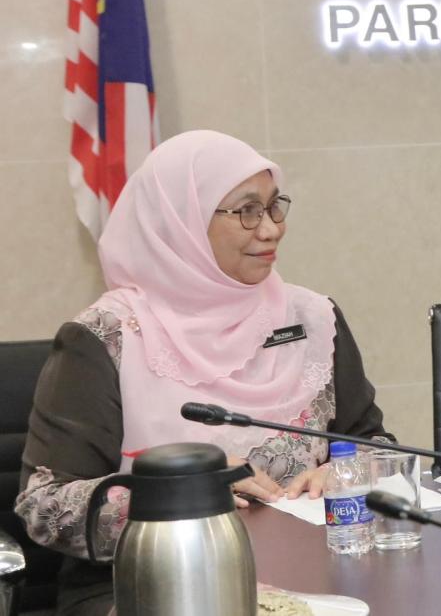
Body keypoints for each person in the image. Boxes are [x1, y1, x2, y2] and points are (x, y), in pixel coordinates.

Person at [15, 130, 388, 616]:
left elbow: (373, 445)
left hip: (316, 574)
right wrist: (179, 496)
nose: (271, 229)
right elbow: (44, 506)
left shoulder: (313, 320)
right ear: (180, 223)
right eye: (247, 211)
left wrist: (344, 472)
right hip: (150, 586)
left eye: (274, 207)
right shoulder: (105, 338)